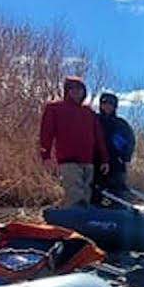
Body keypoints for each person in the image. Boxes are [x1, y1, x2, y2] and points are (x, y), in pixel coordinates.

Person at [38, 76, 109, 207]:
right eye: (72, 89)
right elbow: (46, 133)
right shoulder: (54, 108)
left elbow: (98, 137)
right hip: (68, 160)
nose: (76, 92)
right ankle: (71, 216)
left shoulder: (88, 111)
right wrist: (46, 156)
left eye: (80, 89)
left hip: (88, 161)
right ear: (67, 91)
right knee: (75, 195)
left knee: (86, 195)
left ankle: (80, 217)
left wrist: (104, 159)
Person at [94, 91, 136, 202]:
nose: (107, 106)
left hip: (116, 163)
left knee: (118, 192)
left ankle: (119, 209)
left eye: (110, 103)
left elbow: (130, 141)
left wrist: (125, 157)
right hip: (97, 163)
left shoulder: (121, 123)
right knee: (96, 192)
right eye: (104, 103)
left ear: (115, 106)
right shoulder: (94, 120)